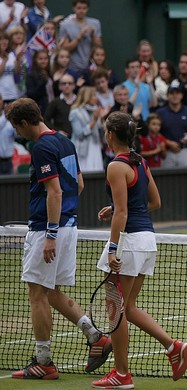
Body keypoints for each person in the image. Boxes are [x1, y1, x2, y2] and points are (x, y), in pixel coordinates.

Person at [6, 97, 112, 380]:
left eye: (17, 127)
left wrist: (51, 233)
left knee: (37, 294)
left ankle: (44, 362)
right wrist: (62, 223)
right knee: (51, 292)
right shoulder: (65, 141)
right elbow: (78, 184)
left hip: (48, 229)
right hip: (68, 227)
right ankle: (95, 336)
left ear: (25, 123)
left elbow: (55, 191)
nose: (18, 133)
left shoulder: (41, 147)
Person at [92, 111, 187, 387]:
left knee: (116, 308)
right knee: (129, 307)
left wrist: (113, 248)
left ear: (111, 135)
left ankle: (122, 374)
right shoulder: (140, 162)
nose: (105, 134)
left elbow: (122, 214)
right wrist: (117, 208)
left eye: (105, 131)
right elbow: (154, 201)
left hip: (130, 242)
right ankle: (173, 347)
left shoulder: (116, 166)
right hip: (147, 241)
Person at [156, 80, 187, 168]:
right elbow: (156, 132)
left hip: (185, 150)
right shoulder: (160, 112)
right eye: (172, 93)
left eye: (177, 93)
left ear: (182, 95)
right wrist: (168, 142)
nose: (175, 96)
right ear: (167, 96)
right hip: (167, 151)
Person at [68, 85, 106, 172]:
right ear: (86, 97)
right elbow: (80, 134)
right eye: (93, 95)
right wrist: (94, 120)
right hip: (81, 149)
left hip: (95, 147)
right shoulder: (75, 112)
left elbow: (102, 134)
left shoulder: (97, 110)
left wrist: (102, 120)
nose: (96, 98)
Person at [59, 0, 102, 72]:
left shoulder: (95, 23)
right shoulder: (65, 25)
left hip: (91, 67)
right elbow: (65, 49)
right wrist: (79, 36)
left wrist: (92, 35)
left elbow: (99, 46)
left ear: (87, 9)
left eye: (84, 8)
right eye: (79, 8)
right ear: (74, 8)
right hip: (73, 67)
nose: (81, 11)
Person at [122, 56, 156, 122]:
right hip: (130, 122)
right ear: (127, 70)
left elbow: (154, 104)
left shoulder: (146, 86)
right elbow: (127, 106)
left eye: (138, 67)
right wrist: (137, 88)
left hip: (146, 123)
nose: (135, 69)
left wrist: (150, 84)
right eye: (132, 67)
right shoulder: (123, 86)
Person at [43, 73, 75, 137]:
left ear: (74, 85)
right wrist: (56, 131)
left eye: (69, 83)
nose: (67, 85)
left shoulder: (79, 101)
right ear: (60, 86)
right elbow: (45, 119)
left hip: (80, 139)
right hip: (62, 138)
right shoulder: (55, 102)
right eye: (64, 83)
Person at [25, 49, 53, 114]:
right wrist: (43, 82)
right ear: (35, 60)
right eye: (40, 59)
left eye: (45, 59)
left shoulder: (50, 73)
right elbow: (31, 94)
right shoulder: (31, 75)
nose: (43, 61)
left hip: (52, 107)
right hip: (40, 109)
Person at [0, 94, 16, 174]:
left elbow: (18, 135)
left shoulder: (9, 118)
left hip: (9, 161)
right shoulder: (5, 117)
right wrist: (6, 116)